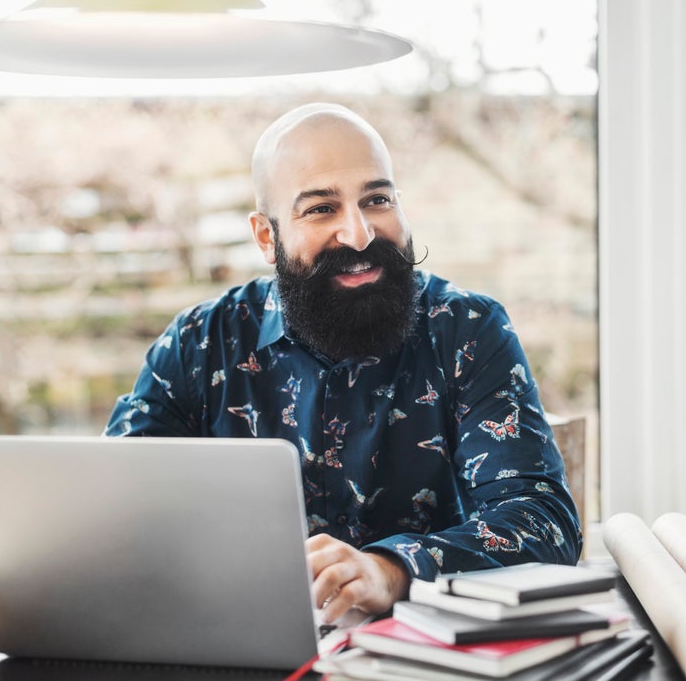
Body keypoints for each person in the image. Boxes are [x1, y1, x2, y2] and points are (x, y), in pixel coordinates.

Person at [105, 102, 583, 622]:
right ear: (267, 236)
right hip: (233, 637)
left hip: (426, 656)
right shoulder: (200, 342)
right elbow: (113, 509)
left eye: (376, 199)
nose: (358, 234)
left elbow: (543, 520)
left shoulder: (468, 329)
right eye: (320, 208)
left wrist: (392, 569)